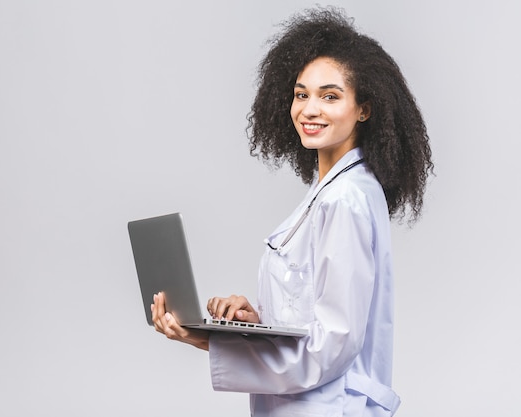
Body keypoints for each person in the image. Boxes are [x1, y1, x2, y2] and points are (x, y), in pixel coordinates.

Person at [151, 6, 433, 417]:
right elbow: (315, 313)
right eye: (302, 94)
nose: (310, 109)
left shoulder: (344, 199)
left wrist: (212, 341)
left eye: (330, 96)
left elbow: (331, 346)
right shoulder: (330, 191)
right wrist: (255, 321)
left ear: (364, 109)